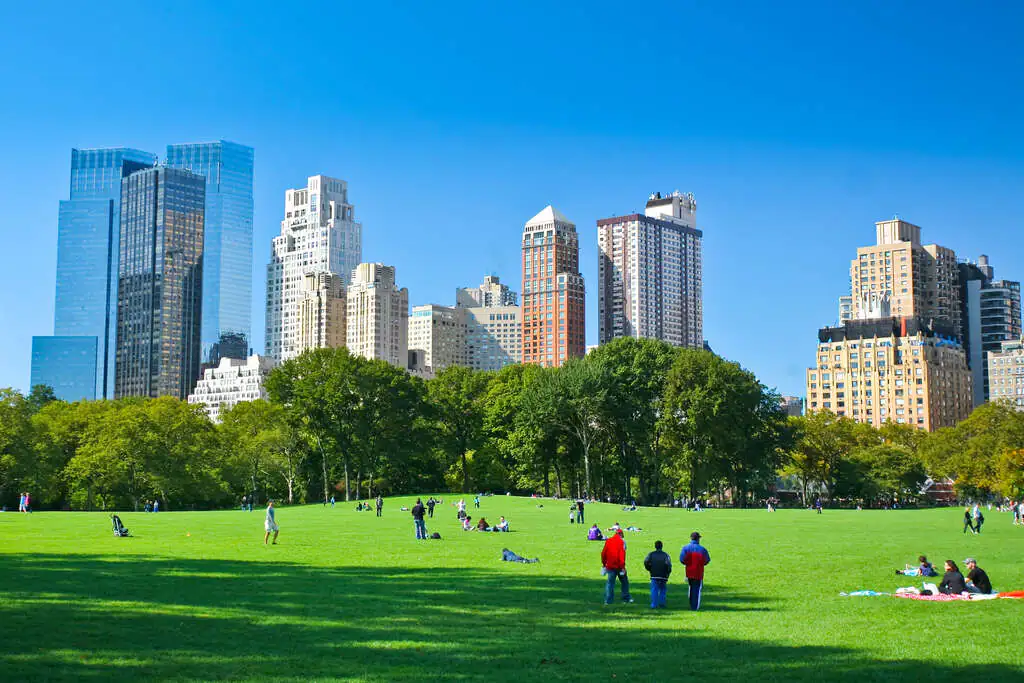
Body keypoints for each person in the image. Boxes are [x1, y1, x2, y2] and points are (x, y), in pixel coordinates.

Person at [601, 528, 633, 605]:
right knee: (624, 582)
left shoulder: (608, 541)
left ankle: (608, 600)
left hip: (610, 566)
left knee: (610, 584)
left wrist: (604, 564)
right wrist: (623, 567)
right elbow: (622, 555)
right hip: (619, 566)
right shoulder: (622, 542)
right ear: (621, 534)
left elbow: (603, 553)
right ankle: (626, 598)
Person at [680, 532, 711, 611]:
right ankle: (695, 607)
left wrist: (688, 564)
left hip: (689, 572)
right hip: (698, 572)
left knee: (691, 587)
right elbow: (707, 560)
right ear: (698, 539)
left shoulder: (685, 548)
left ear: (691, 538)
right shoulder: (702, 549)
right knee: (697, 589)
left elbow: (682, 560)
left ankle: (691, 604)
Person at [644, 540, 672, 609]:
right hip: (663, 575)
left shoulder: (651, 554)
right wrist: (668, 573)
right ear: (662, 546)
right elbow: (669, 565)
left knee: (654, 590)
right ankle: (662, 604)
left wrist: (649, 569)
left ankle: (654, 605)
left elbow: (646, 562)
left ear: (655, 546)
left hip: (654, 575)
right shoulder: (666, 555)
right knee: (663, 589)